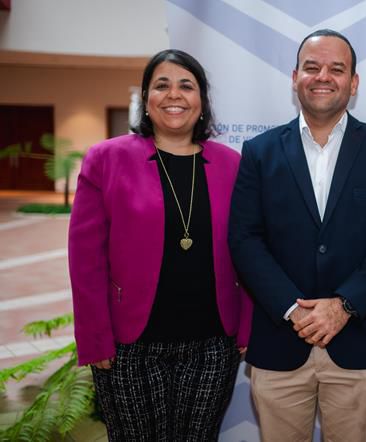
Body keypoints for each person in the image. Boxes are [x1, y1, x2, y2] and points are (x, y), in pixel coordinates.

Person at [228, 29, 366, 442]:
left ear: (354, 82)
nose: (323, 76)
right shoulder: (259, 151)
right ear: (295, 77)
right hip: (280, 340)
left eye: (337, 68)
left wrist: (345, 305)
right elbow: (244, 238)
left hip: (356, 342)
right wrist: (292, 309)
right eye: (312, 67)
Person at [68, 49, 252, 441]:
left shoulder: (231, 164)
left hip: (211, 345)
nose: (174, 95)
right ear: (146, 99)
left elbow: (249, 248)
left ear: (201, 101)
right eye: (161, 85)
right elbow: (85, 261)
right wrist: (94, 337)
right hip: (129, 345)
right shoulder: (107, 159)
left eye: (186, 85)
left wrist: (247, 326)